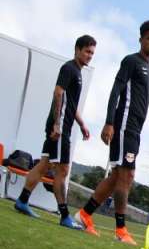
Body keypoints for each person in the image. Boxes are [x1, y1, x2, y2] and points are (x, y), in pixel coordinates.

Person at [76, 21, 149, 245]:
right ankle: (121, 230)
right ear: (141, 40)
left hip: (135, 129)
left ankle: (84, 215)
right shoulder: (131, 61)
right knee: (127, 176)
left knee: (116, 177)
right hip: (124, 124)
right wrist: (109, 122)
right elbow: (116, 91)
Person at [14, 35, 96, 228]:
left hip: (62, 126)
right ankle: (65, 216)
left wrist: (82, 124)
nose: (89, 55)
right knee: (62, 170)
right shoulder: (69, 68)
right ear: (77, 50)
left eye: (92, 53)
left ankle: (22, 201)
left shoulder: (78, 72)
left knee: (44, 165)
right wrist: (57, 124)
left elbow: (71, 104)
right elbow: (58, 93)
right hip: (60, 128)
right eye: (87, 51)